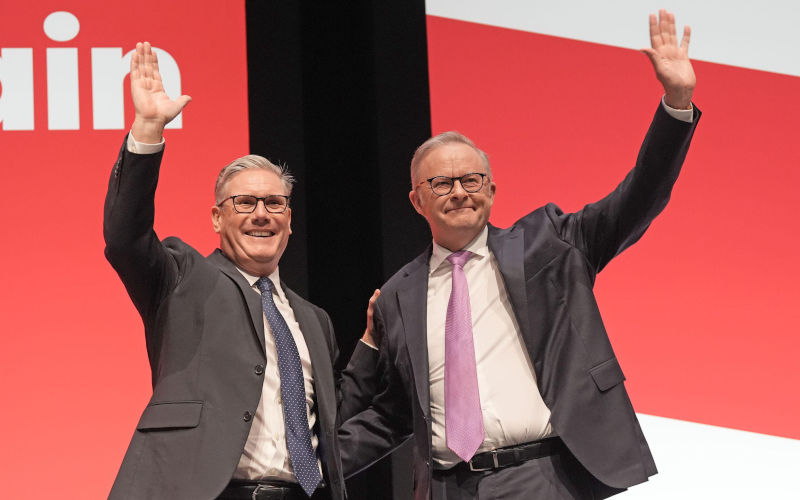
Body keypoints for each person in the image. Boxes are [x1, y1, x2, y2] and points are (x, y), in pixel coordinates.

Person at [339, 9, 700, 499]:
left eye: (472, 180)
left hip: (542, 478)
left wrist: (676, 105)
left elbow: (637, 199)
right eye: (441, 182)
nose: (460, 192)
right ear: (416, 200)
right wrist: (298, 469)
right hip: (448, 488)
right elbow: (397, 412)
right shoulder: (399, 294)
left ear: (491, 191)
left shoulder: (549, 244)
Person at [104, 42, 377, 500]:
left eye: (274, 203)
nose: (261, 214)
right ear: (217, 218)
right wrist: (148, 131)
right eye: (244, 203)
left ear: (290, 220)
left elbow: (330, 428)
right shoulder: (182, 277)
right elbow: (124, 238)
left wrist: (369, 347)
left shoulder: (313, 320)